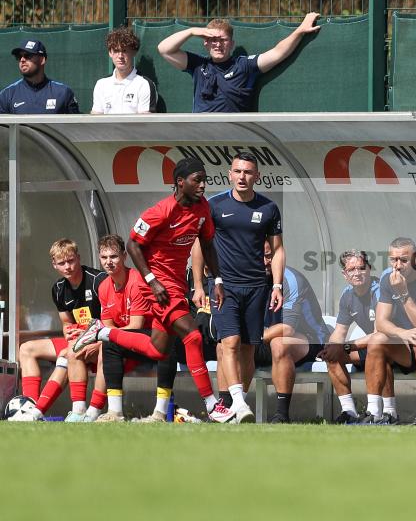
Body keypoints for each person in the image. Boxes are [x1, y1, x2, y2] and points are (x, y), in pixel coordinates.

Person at [73, 158, 230, 422]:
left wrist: (217, 280)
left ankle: (103, 331)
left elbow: (207, 243)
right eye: (197, 179)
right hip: (158, 287)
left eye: (204, 179)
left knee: (158, 349)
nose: (203, 185)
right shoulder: (161, 210)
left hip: (177, 284)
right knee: (192, 337)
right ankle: (213, 405)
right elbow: (133, 245)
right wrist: (151, 280)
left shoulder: (203, 208)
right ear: (180, 182)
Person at [192, 152, 284, 424]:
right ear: (229, 174)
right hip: (223, 285)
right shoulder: (214, 205)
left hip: (256, 286)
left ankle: (234, 407)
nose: (242, 176)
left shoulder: (268, 208)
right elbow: (200, 246)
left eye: (248, 172)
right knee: (229, 343)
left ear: (257, 176)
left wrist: (276, 285)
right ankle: (240, 404)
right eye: (237, 171)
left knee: (247, 349)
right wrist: (199, 284)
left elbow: (277, 250)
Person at [157, 14, 320, 113]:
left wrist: (299, 31)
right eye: (212, 40)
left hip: (235, 136)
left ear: (232, 44)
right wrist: (191, 31)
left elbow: (278, 53)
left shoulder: (245, 66)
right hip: (200, 134)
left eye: (223, 40)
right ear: (205, 43)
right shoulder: (198, 65)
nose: (217, 44)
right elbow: (164, 49)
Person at [17, 239, 105, 420]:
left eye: (71, 260)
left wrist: (85, 336)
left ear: (79, 258)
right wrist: (69, 332)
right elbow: (66, 323)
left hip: (99, 341)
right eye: (62, 263)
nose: (67, 267)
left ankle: (39, 413)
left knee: (68, 354)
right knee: (26, 349)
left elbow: (111, 321)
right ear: (54, 265)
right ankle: (29, 406)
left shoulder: (98, 280)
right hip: (76, 340)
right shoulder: (58, 288)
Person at [250, 242, 332, 423]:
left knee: (280, 343)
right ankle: (231, 407)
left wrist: (255, 336)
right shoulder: (251, 277)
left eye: (269, 255)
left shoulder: (290, 279)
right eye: (260, 256)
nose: (265, 261)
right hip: (265, 340)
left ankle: (281, 415)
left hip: (311, 340)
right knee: (228, 344)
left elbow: (287, 328)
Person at [91, 234, 169, 422]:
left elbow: (136, 325)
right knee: (106, 344)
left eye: (114, 257)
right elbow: (109, 328)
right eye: (104, 257)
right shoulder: (103, 287)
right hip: (132, 344)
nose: (109, 262)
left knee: (109, 341)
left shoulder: (137, 281)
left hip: (152, 339)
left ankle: (159, 412)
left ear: (125, 256)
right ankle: (113, 412)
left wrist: (103, 335)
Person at [362, 237, 416, 425]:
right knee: (377, 339)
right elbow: (381, 322)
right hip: (403, 343)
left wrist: (404, 293)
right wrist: (402, 333)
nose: (398, 265)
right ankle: (378, 413)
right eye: (393, 260)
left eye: (403, 260)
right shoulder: (388, 277)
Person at [318, 249, 395, 424]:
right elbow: (339, 332)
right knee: (333, 357)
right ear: (344, 274)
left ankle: (390, 413)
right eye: (352, 270)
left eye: (361, 268)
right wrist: (331, 347)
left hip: (395, 347)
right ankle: (349, 412)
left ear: (369, 269)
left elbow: (379, 334)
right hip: (370, 347)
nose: (357, 273)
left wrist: (346, 346)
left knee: (378, 351)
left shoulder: (379, 291)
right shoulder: (347, 295)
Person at [0, 39, 79, 114]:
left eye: (27, 55)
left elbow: (76, 126)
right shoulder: (7, 95)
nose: (22, 60)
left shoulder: (63, 93)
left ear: (42, 60)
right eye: (19, 57)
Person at [91, 26, 156, 114]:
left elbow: (145, 123)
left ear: (134, 52)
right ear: (110, 53)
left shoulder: (144, 84)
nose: (120, 56)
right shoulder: (101, 84)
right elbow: (96, 118)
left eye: (125, 51)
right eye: (116, 51)